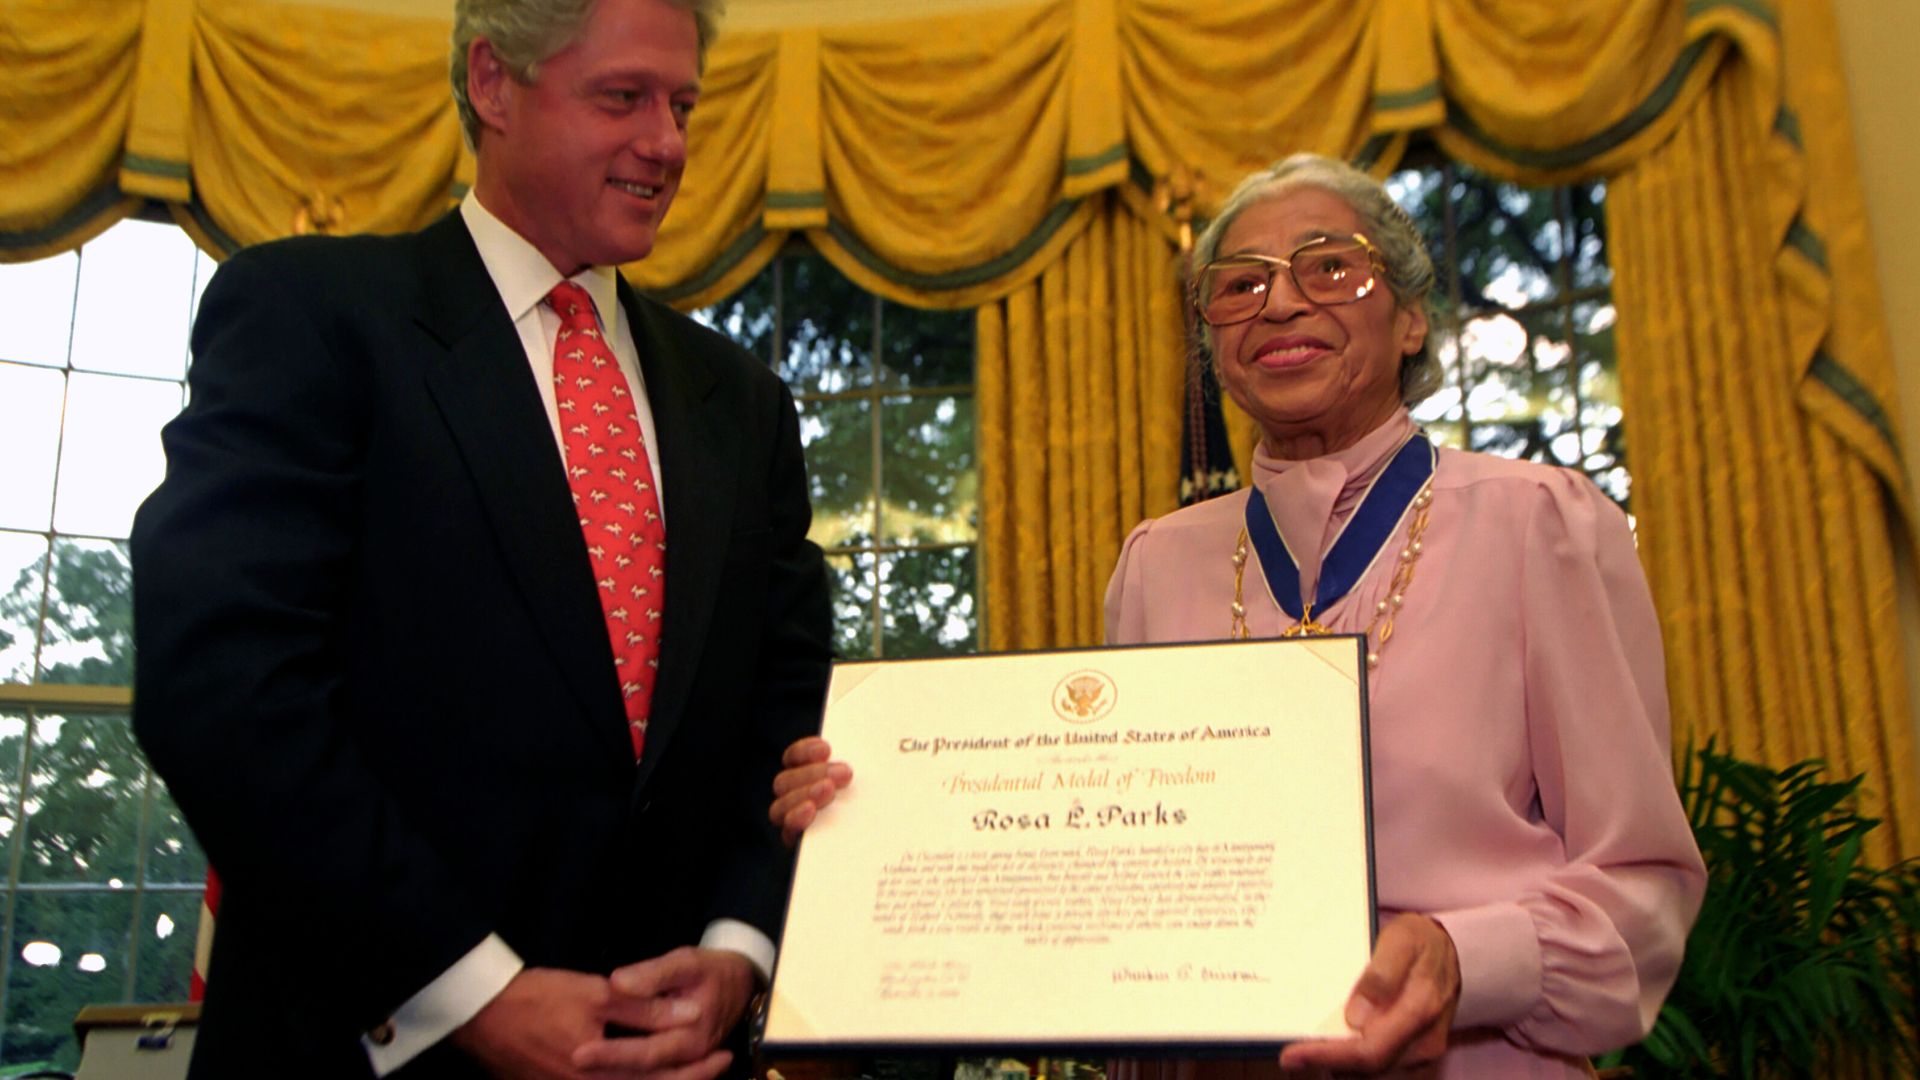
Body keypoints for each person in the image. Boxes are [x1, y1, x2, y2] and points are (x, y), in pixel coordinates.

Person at [770, 154, 1705, 1077]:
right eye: (1241, 284)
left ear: (1413, 316)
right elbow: (1103, 860)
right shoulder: (1157, 562)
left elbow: (1641, 891)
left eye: (1330, 266)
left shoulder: (1540, 523)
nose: (1282, 303)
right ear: (1213, 339)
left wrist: (1466, 959)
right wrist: (873, 820)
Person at [130, 0, 833, 1076]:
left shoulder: (740, 403)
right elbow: (224, 692)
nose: (669, 143)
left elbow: (790, 720)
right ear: (494, 84)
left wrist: (737, 952)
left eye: (683, 104)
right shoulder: (310, 318)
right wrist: (469, 991)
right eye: (624, 97)